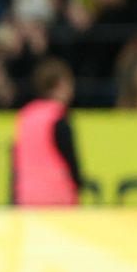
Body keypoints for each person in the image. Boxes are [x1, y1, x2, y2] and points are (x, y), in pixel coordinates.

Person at [12, 59, 83, 206]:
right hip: (57, 194)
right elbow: (70, 156)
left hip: (27, 195)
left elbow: (16, 158)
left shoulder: (25, 115)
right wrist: (79, 184)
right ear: (59, 85)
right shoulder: (57, 116)